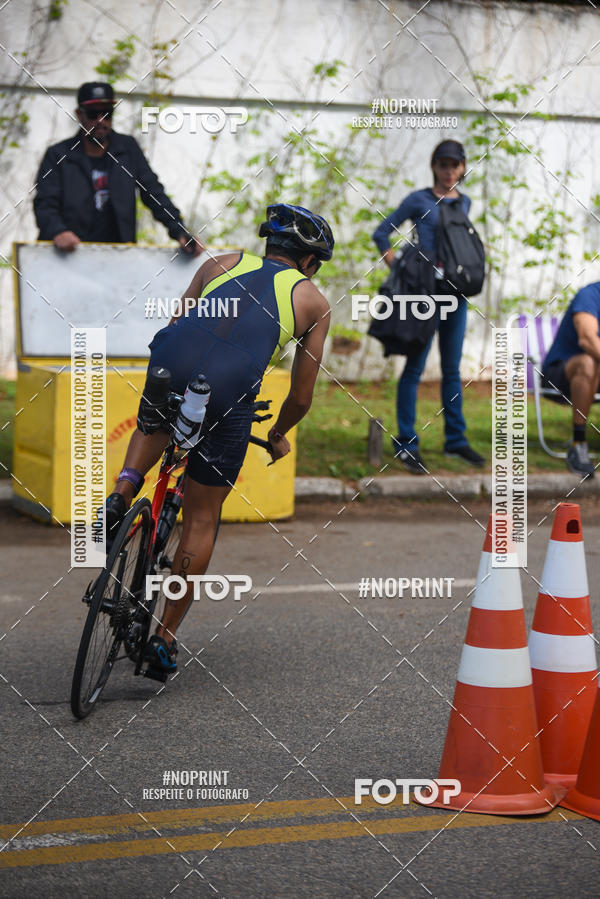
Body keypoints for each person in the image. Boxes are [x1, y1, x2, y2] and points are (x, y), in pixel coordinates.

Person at [104, 204, 333, 673]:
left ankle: (123, 489)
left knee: (158, 415)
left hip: (171, 360)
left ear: (269, 245)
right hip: (228, 391)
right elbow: (302, 395)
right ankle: (163, 641)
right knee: (201, 520)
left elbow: (176, 324)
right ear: (308, 262)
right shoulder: (313, 301)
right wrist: (278, 433)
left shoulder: (220, 263)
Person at [372, 139, 485, 474]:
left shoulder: (464, 202)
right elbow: (381, 234)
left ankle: (456, 441)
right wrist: (401, 271)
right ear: (434, 166)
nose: (449, 170)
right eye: (443, 164)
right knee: (415, 369)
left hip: (456, 295)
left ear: (462, 168)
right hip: (423, 296)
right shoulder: (418, 199)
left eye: (455, 165)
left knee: (452, 370)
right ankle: (406, 443)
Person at [33, 81, 202, 255]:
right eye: (93, 114)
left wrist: (179, 230)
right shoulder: (58, 154)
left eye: (107, 113)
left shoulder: (127, 148)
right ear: (79, 115)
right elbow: (45, 203)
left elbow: (153, 192)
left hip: (118, 257)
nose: (101, 121)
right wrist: (58, 231)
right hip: (69, 256)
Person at [541, 281, 600, 477]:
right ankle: (578, 443)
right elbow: (588, 339)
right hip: (559, 376)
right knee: (589, 362)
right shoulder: (590, 295)